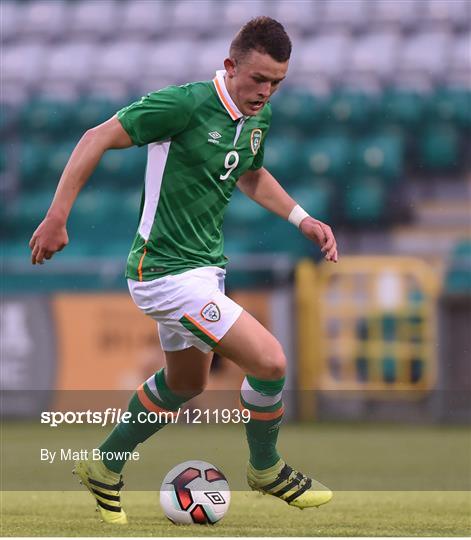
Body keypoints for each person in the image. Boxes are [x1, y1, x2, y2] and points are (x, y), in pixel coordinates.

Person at [30, 16, 338, 524]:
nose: (266, 92)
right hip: (163, 273)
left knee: (186, 383)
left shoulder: (255, 115)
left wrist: (301, 218)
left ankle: (103, 467)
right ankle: (265, 468)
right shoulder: (186, 104)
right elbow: (95, 137)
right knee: (271, 362)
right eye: (258, 79)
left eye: (277, 82)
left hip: (203, 272)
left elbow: (251, 173)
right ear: (229, 65)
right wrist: (57, 216)